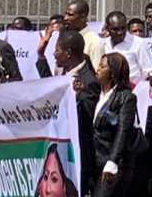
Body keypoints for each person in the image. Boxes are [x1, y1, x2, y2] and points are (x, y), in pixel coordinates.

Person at [38, 31, 100, 191]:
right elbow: (51, 89)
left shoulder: (88, 80)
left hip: (79, 152)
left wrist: (78, 97)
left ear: (68, 53)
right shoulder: (66, 75)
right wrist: (41, 56)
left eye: (57, 50)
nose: (54, 54)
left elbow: (89, 117)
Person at [93, 53, 141, 197]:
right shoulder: (98, 95)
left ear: (113, 73)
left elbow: (123, 131)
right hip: (97, 161)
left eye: (102, 66)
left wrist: (112, 162)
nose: (98, 69)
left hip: (115, 165)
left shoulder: (126, 97)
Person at [102, 11, 152, 86]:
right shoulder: (103, 44)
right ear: (107, 28)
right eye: (115, 29)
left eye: (123, 28)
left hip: (132, 91)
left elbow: (149, 72)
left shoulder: (138, 43)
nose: (120, 32)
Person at [65, 0, 104, 70]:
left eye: (70, 15)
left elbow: (96, 74)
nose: (65, 18)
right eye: (66, 14)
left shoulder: (94, 42)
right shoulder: (66, 38)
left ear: (83, 17)